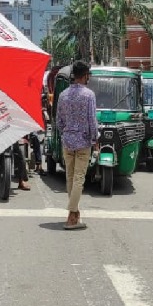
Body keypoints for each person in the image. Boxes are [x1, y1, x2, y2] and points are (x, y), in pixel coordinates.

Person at [55, 61, 98, 231]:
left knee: (70, 178)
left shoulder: (63, 95)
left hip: (68, 141)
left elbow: (58, 121)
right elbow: (92, 121)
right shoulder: (89, 95)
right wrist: (95, 140)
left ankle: (75, 212)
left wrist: (66, 133)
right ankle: (72, 215)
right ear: (85, 75)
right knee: (79, 178)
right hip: (83, 141)